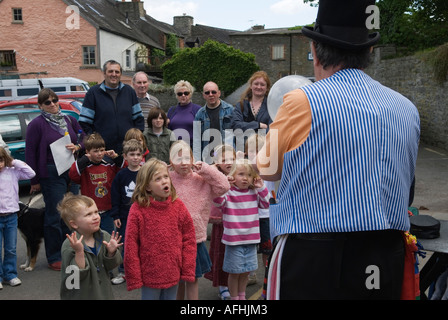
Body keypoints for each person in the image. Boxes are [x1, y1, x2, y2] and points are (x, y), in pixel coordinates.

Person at [256, 0, 420, 300]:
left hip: (313, 252)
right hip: (384, 252)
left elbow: (268, 169)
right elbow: (406, 184)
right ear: (369, 51)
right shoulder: (406, 108)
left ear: (315, 50)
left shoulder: (300, 100)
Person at [25, 88, 85, 271]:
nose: (52, 104)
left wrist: (78, 146)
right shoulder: (36, 125)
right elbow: (30, 153)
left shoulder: (68, 119)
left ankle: (71, 250)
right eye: (47, 102)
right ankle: (54, 256)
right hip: (51, 172)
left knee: (71, 214)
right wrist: (33, 179)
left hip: (71, 170)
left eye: (54, 100)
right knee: (54, 214)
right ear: (40, 105)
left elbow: (83, 136)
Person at [124, 159, 196, 300]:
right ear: (148, 186)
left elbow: (189, 238)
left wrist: (187, 268)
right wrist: (134, 276)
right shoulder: (138, 209)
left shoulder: (178, 205)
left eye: (166, 177)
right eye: (158, 179)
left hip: (173, 271)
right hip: (150, 274)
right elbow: (131, 244)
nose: (164, 181)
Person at [168, 140, 230, 300]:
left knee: (192, 278)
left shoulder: (201, 178)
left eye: (187, 158)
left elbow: (224, 186)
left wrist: (205, 169)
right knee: (176, 280)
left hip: (194, 238)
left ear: (193, 159)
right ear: (170, 161)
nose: (183, 163)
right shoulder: (167, 178)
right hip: (172, 238)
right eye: (177, 158)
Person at [213, 158, 270, 300]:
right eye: (241, 174)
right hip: (234, 241)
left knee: (245, 272)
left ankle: (242, 296)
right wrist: (225, 184)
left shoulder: (255, 192)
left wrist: (261, 186)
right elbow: (217, 202)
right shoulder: (228, 192)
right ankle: (234, 298)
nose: (245, 178)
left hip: (251, 240)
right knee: (234, 272)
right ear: (233, 176)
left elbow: (267, 204)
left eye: (249, 175)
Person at [58, 193, 123, 300]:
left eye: (96, 212)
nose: (96, 217)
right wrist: (79, 252)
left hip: (103, 293)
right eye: (88, 214)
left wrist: (111, 253)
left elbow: (110, 267)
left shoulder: (104, 236)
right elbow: (73, 280)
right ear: (74, 224)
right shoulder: (70, 245)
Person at [79, 60, 144, 155]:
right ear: (104, 73)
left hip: (127, 151)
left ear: (120, 74)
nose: (114, 74)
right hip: (103, 152)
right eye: (110, 71)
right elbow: (84, 122)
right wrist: (96, 142)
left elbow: (139, 119)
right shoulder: (93, 93)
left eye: (117, 72)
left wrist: (135, 141)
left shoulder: (129, 92)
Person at [69, 133, 124, 235]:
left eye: (102, 150)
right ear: (88, 152)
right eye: (95, 151)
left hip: (107, 210)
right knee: (90, 238)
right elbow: (73, 174)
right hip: (89, 211)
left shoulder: (109, 164)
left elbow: (124, 169)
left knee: (106, 237)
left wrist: (116, 157)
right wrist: (85, 159)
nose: (99, 153)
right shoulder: (85, 166)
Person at [0, 147, 35, 289]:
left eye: (1, 160)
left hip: (11, 216)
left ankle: (10, 275)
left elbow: (31, 173)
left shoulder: (12, 171)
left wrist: (13, 161)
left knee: (10, 248)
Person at [109, 139, 143, 285]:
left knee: (143, 244)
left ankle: (142, 270)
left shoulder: (145, 173)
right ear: (125, 156)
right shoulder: (121, 176)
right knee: (125, 244)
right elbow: (115, 196)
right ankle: (123, 272)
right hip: (125, 216)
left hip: (143, 216)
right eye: (132, 154)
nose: (135, 157)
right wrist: (116, 215)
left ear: (142, 156)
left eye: (138, 154)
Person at [204, 144, 236, 300]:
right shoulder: (215, 175)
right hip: (222, 222)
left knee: (235, 255)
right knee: (221, 254)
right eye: (224, 159)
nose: (229, 162)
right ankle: (223, 285)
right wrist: (215, 168)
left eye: (232, 158)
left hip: (237, 222)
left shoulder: (240, 173)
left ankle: (234, 284)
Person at [245, 134, 275, 286]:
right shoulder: (244, 171)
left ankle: (268, 276)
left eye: (259, 151)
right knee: (249, 248)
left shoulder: (270, 171)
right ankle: (251, 274)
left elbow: (270, 195)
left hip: (265, 216)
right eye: (251, 151)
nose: (255, 154)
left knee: (266, 250)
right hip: (248, 216)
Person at [231, 71, 272, 152]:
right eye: (256, 84)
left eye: (262, 85)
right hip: (243, 151)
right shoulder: (241, 105)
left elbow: (272, 128)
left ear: (267, 88)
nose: (259, 87)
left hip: (265, 150)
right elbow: (235, 125)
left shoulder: (271, 106)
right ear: (251, 86)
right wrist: (258, 125)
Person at [194, 81, 235, 163]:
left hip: (227, 155)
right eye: (207, 92)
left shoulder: (230, 110)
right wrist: (197, 161)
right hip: (208, 156)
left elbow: (237, 134)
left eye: (213, 92)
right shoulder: (199, 114)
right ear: (203, 95)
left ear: (219, 93)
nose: (211, 94)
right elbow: (197, 139)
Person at [167, 80, 201, 148]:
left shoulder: (198, 110)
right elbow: (168, 129)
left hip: (192, 148)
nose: (183, 95)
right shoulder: (172, 110)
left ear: (190, 94)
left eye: (186, 93)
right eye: (180, 94)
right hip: (175, 147)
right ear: (176, 95)